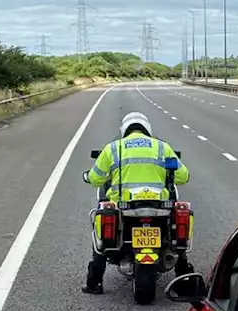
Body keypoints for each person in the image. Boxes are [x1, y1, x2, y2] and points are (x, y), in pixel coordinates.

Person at [81, 111, 190, 294]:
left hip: (124, 207)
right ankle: (184, 276)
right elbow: (183, 176)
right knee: (176, 234)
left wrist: (87, 176)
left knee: (101, 235)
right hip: (159, 206)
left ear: (125, 130)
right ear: (147, 129)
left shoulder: (113, 148)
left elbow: (96, 179)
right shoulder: (162, 147)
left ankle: (95, 282)